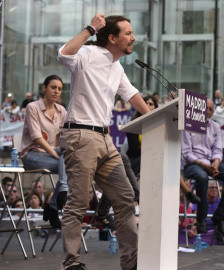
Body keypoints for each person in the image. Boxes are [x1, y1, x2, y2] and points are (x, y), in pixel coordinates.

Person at [57, 14, 152, 270]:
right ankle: (71, 263)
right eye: (128, 33)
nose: (133, 38)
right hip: (81, 136)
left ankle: (131, 263)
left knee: (124, 197)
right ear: (112, 38)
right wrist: (90, 29)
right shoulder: (88, 54)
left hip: (104, 139)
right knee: (77, 202)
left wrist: (159, 117)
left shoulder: (117, 67)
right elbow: (64, 54)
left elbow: (131, 95)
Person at [182, 99, 224, 237]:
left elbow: (217, 149)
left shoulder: (215, 126)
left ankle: (219, 218)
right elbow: (186, 153)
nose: (207, 111)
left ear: (213, 112)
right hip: (193, 164)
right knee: (202, 177)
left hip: (210, 161)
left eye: (210, 109)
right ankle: (201, 219)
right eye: (205, 108)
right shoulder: (188, 125)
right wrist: (203, 165)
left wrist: (215, 162)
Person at [20, 75, 68, 228]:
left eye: (59, 89)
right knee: (69, 164)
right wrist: (56, 153)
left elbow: (65, 139)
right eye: (53, 87)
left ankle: (53, 204)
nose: (56, 91)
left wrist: (60, 152)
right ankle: (57, 201)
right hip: (32, 154)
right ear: (44, 88)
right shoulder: (32, 107)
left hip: (54, 154)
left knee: (71, 154)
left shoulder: (62, 111)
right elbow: (36, 137)